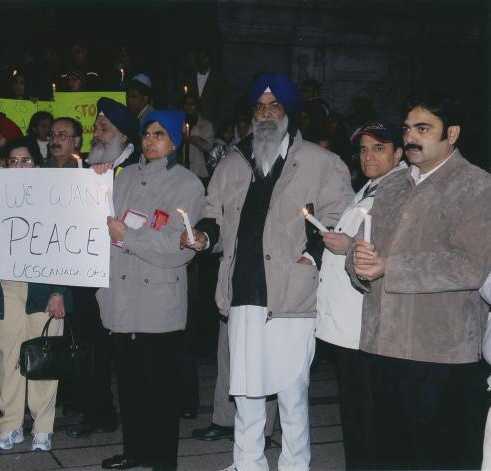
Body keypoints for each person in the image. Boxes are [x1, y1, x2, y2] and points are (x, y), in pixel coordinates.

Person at [182, 73, 352, 471]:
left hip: (292, 293)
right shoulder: (233, 160)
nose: (266, 114)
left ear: (289, 112)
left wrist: (311, 259)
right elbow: (213, 214)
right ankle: (248, 462)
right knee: (246, 391)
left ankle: (295, 465)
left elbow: (338, 217)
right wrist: (205, 239)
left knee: (292, 392)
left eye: (275, 106)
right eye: (259, 107)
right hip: (242, 291)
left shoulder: (320, 161)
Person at [348, 92, 491, 469]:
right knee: (387, 456)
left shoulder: (477, 186)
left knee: (436, 460)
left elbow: (470, 266)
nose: (411, 137)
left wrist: (389, 267)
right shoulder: (393, 185)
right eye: (408, 128)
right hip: (382, 347)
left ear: (453, 134)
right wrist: (357, 262)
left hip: (439, 354)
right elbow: (367, 245)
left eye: (423, 129)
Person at [97, 110, 205, 470]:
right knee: (129, 387)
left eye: (159, 134)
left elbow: (178, 245)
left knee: (160, 391)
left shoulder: (188, 185)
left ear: (174, 141)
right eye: (146, 134)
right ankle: (135, 451)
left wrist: (128, 237)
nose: (150, 140)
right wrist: (95, 182)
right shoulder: (122, 176)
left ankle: (161, 461)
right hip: (121, 299)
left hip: (158, 302)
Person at [0, 139, 72, 452]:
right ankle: (10, 425)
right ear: (4, 165)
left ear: (37, 166)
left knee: (45, 358)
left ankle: (43, 427)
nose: (19, 167)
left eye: (26, 161)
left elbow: (68, 245)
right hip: (6, 289)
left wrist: (58, 291)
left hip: (44, 290)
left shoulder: (56, 198)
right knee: (8, 360)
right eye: (13, 161)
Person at [316, 122, 406, 470]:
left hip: (367, 324)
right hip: (350, 323)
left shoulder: (397, 190)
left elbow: (393, 248)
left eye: (379, 148)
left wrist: (349, 244)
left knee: (367, 413)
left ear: (398, 153)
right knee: (355, 409)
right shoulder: (370, 187)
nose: (368, 156)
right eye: (363, 149)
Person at [66, 97, 140, 440]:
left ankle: (136, 416)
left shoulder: (138, 170)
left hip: (125, 273)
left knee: (125, 350)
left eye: (104, 128)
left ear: (124, 137)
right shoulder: (84, 171)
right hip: (87, 270)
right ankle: (97, 410)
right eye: (96, 127)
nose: (96, 133)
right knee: (89, 345)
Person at [181, 92, 214, 183]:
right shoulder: (180, 123)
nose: (189, 107)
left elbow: (208, 147)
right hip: (182, 171)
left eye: (192, 104)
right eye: (186, 104)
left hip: (199, 171)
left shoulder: (206, 125)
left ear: (196, 105)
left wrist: (194, 140)